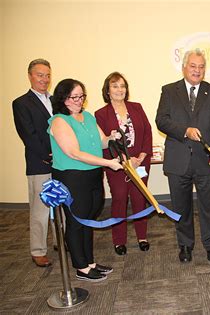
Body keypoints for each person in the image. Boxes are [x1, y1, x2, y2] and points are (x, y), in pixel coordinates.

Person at [156, 49, 210, 263]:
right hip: (178, 161)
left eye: (201, 67)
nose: (197, 70)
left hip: (206, 161)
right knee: (181, 207)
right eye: (193, 66)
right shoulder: (169, 91)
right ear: (184, 67)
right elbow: (161, 121)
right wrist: (185, 130)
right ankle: (185, 246)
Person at [49, 78, 122, 282]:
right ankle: (81, 267)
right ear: (63, 98)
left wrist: (112, 137)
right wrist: (108, 163)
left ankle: (90, 262)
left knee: (89, 218)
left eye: (82, 96)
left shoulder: (87, 117)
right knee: (76, 221)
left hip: (92, 174)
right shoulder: (59, 121)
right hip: (72, 177)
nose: (79, 101)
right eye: (74, 97)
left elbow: (101, 141)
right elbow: (74, 153)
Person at [95, 72, 152, 256]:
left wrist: (141, 157)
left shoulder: (136, 107)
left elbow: (147, 132)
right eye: (115, 86)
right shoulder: (101, 114)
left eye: (122, 86)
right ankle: (119, 240)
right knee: (119, 199)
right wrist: (124, 161)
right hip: (117, 165)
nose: (120, 90)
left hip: (140, 162)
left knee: (140, 199)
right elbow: (103, 143)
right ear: (108, 90)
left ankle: (142, 237)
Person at [12, 58, 57, 267]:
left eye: (47, 75)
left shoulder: (56, 100)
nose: (44, 79)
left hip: (61, 161)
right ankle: (38, 250)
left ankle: (61, 241)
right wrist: (48, 153)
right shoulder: (21, 103)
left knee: (61, 204)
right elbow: (28, 135)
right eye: (40, 75)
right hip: (40, 162)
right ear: (30, 76)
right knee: (40, 208)